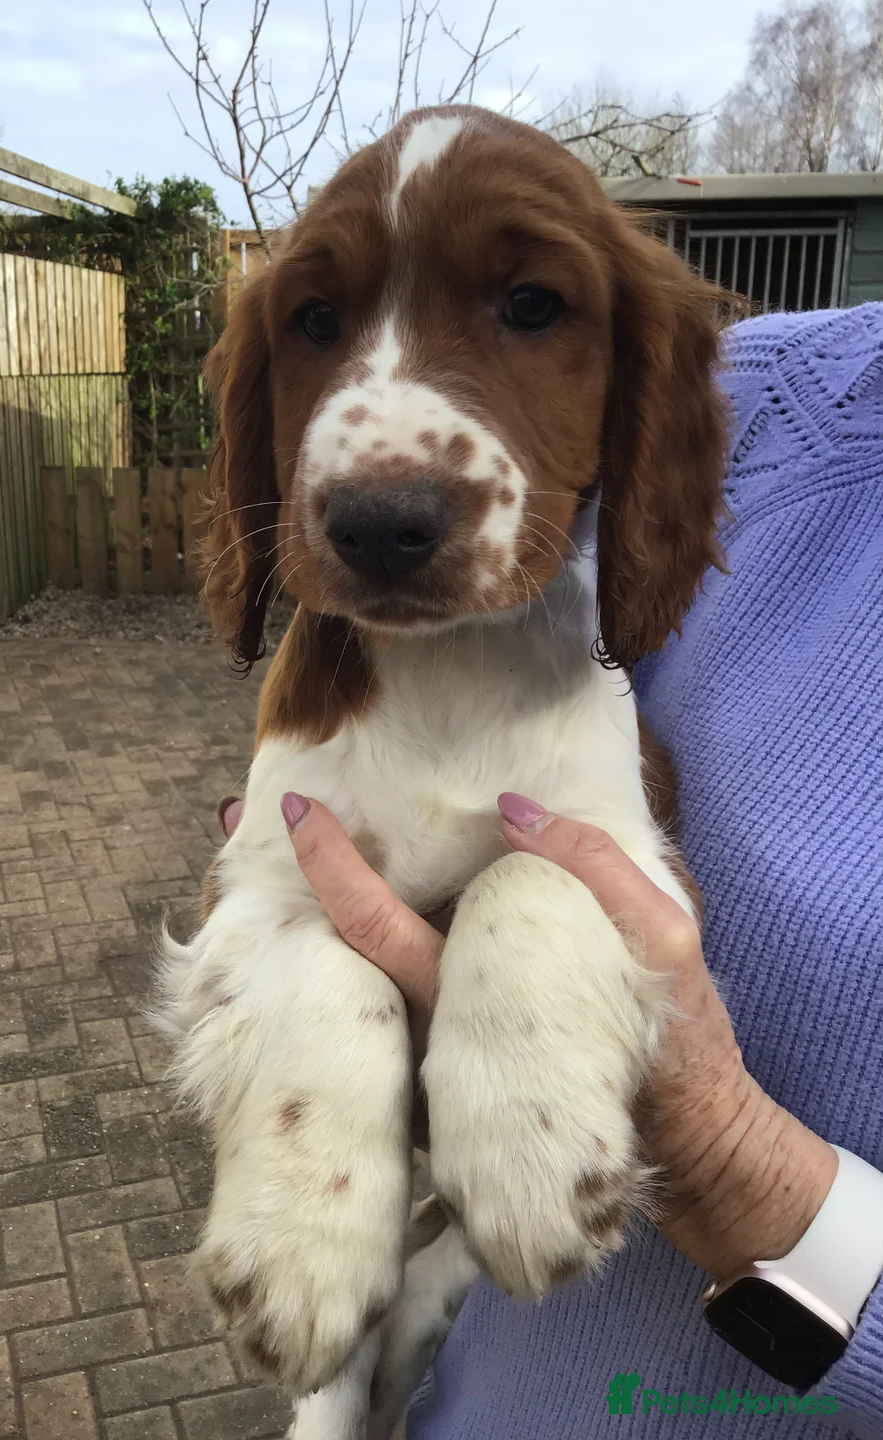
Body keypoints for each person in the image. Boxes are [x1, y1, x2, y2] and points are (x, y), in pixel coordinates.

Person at [219, 303, 883, 1437]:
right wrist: (314, 977)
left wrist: (730, 1161)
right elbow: (462, 798)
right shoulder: (765, 391)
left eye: (527, 308)